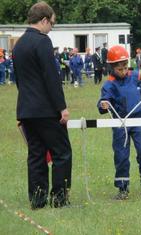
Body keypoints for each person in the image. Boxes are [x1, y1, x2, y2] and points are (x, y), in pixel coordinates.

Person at [12, 1, 72, 209]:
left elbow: (19, 79)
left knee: (36, 156)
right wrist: (61, 107)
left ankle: (37, 200)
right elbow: (51, 77)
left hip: (27, 109)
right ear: (44, 20)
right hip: (46, 110)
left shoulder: (18, 44)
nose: (51, 28)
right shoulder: (42, 41)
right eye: (52, 24)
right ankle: (59, 199)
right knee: (61, 153)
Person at [97, 45, 141, 200]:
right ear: (111, 68)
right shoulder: (109, 85)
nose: (123, 71)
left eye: (125, 67)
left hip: (138, 120)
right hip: (120, 123)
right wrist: (103, 105)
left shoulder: (135, 76)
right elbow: (104, 101)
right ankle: (123, 189)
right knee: (121, 156)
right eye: (119, 69)